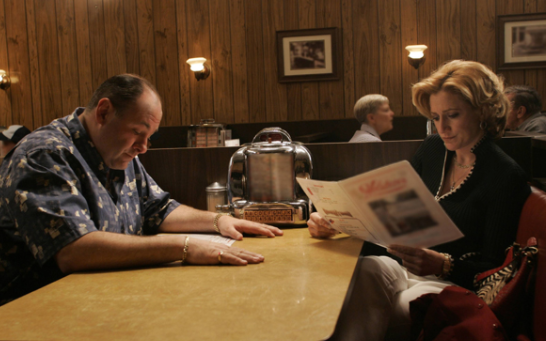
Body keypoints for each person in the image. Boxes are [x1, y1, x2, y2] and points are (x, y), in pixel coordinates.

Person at [0, 74, 283, 306]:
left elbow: (157, 208)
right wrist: (184, 247)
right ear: (103, 112)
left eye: (149, 137)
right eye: (138, 131)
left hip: (103, 299)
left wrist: (218, 221)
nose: (144, 147)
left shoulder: (119, 152)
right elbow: (73, 250)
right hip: (33, 311)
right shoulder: (43, 154)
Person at [308, 60, 530, 340]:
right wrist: (339, 222)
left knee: (403, 307)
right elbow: (391, 214)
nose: (443, 128)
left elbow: (493, 269)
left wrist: (443, 265)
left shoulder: (504, 175)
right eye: (436, 117)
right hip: (403, 265)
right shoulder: (433, 148)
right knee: (367, 270)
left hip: (453, 283)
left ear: (483, 111)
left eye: (452, 115)